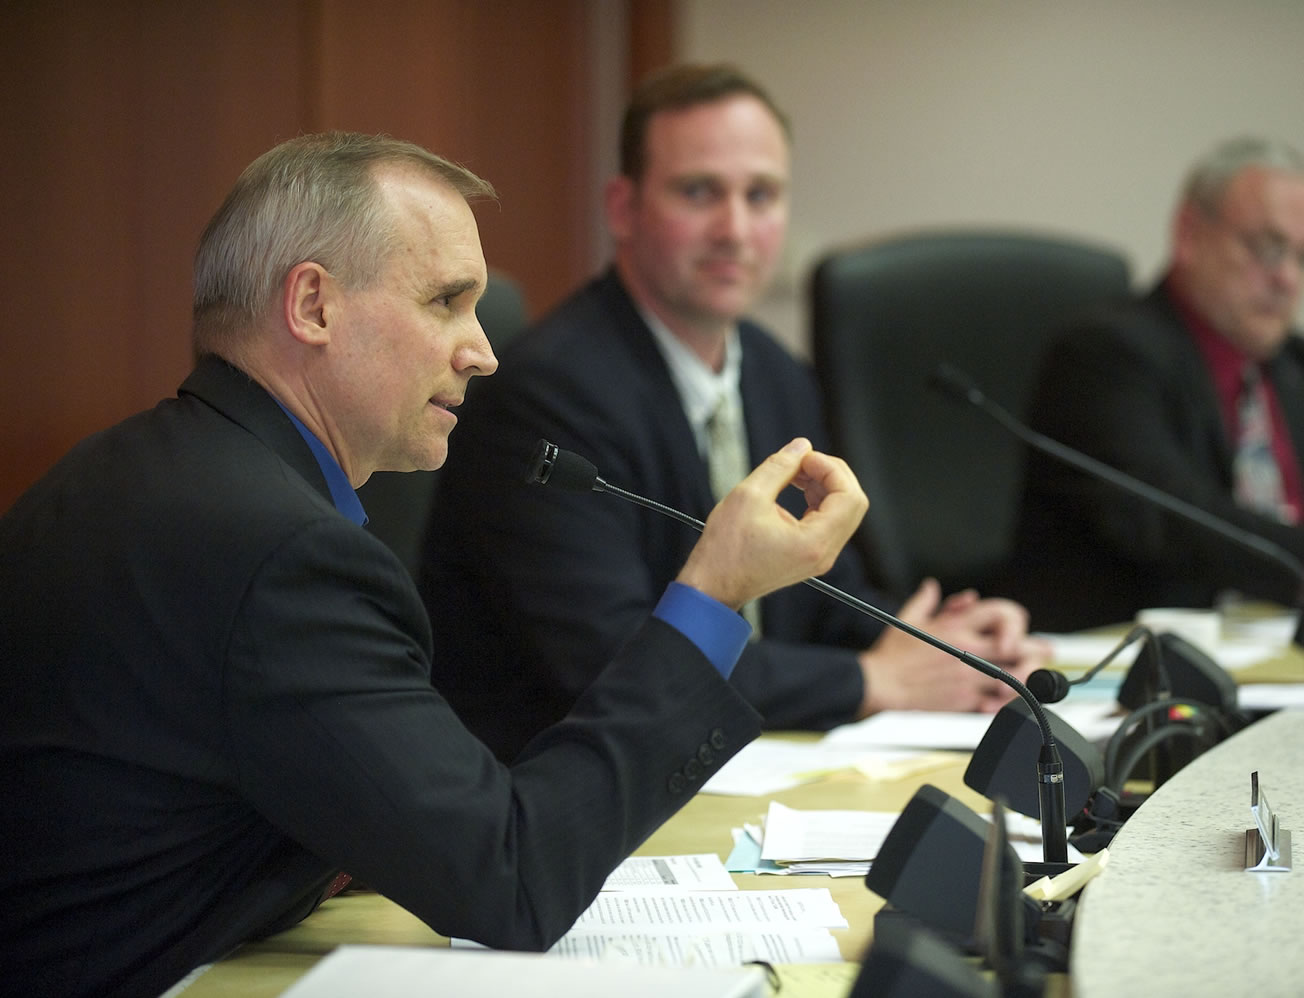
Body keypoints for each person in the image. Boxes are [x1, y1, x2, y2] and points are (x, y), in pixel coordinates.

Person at [0, 132, 871, 998]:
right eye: (447, 302)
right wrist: (715, 591)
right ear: (313, 307)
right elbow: (512, 882)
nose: (483, 351)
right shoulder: (278, 553)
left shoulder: (142, 471)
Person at [419, 64, 1048, 761]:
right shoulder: (548, 395)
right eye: (699, 192)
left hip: (736, 766)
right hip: (557, 784)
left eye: (762, 195)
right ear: (623, 209)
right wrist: (874, 680)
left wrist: (939, 641)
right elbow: (609, 662)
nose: (736, 229)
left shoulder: (776, 372)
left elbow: (812, 588)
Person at [1001, 136, 1304, 632]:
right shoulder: (1104, 355)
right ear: (1190, 235)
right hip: (1129, 665)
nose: (1288, 279)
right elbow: (1176, 518)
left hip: (1296, 666)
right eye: (1268, 248)